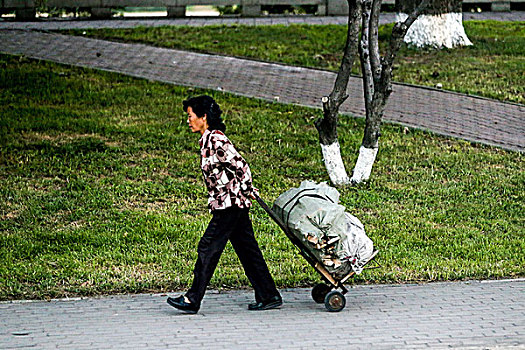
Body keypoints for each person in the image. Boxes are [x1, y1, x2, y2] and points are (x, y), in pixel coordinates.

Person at [167, 95, 282, 314]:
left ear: (204, 117)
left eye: (191, 116)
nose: (188, 121)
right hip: (230, 204)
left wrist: (246, 189)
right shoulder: (207, 140)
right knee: (248, 251)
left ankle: (192, 300)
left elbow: (241, 166)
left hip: (230, 205)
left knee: (207, 247)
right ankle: (269, 295)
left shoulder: (217, 140)